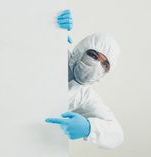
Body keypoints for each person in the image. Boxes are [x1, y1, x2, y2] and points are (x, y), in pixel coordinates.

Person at [45, 10, 124, 149]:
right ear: (80, 50)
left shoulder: (84, 96)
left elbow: (117, 135)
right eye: (93, 55)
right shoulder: (57, 53)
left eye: (104, 64)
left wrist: (89, 128)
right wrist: (51, 26)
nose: (96, 64)